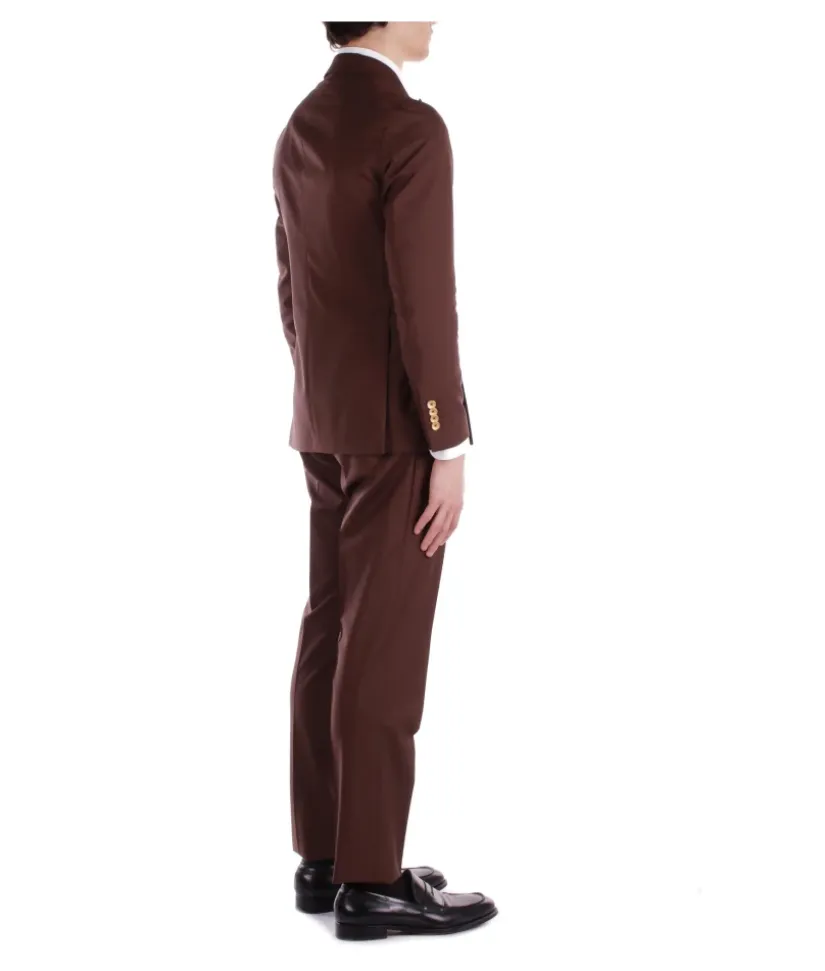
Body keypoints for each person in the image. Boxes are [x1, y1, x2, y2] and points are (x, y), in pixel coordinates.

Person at [271, 21, 496, 941]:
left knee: (329, 627)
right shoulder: (410, 130)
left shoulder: (302, 126)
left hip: (323, 421)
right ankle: (372, 880)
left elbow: (291, 288)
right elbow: (424, 301)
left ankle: (324, 857)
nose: (436, 13)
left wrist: (324, 396)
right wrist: (449, 440)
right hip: (398, 430)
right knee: (382, 653)